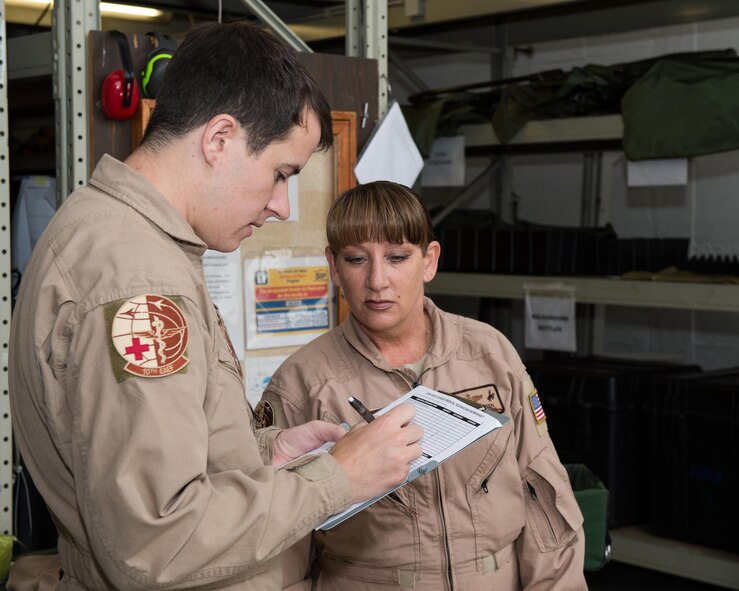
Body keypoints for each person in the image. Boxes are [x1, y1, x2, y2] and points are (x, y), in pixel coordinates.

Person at [8, 23, 423, 590]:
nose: (282, 205)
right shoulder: (138, 280)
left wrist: (267, 452)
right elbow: (157, 539)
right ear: (219, 139)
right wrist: (335, 480)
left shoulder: (110, 235)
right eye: (281, 174)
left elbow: (159, 454)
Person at [261, 180, 588, 590]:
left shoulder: (489, 354)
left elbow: (545, 499)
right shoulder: (302, 381)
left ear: (429, 260)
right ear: (334, 266)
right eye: (357, 259)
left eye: (397, 257)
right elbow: (281, 549)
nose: (377, 280)